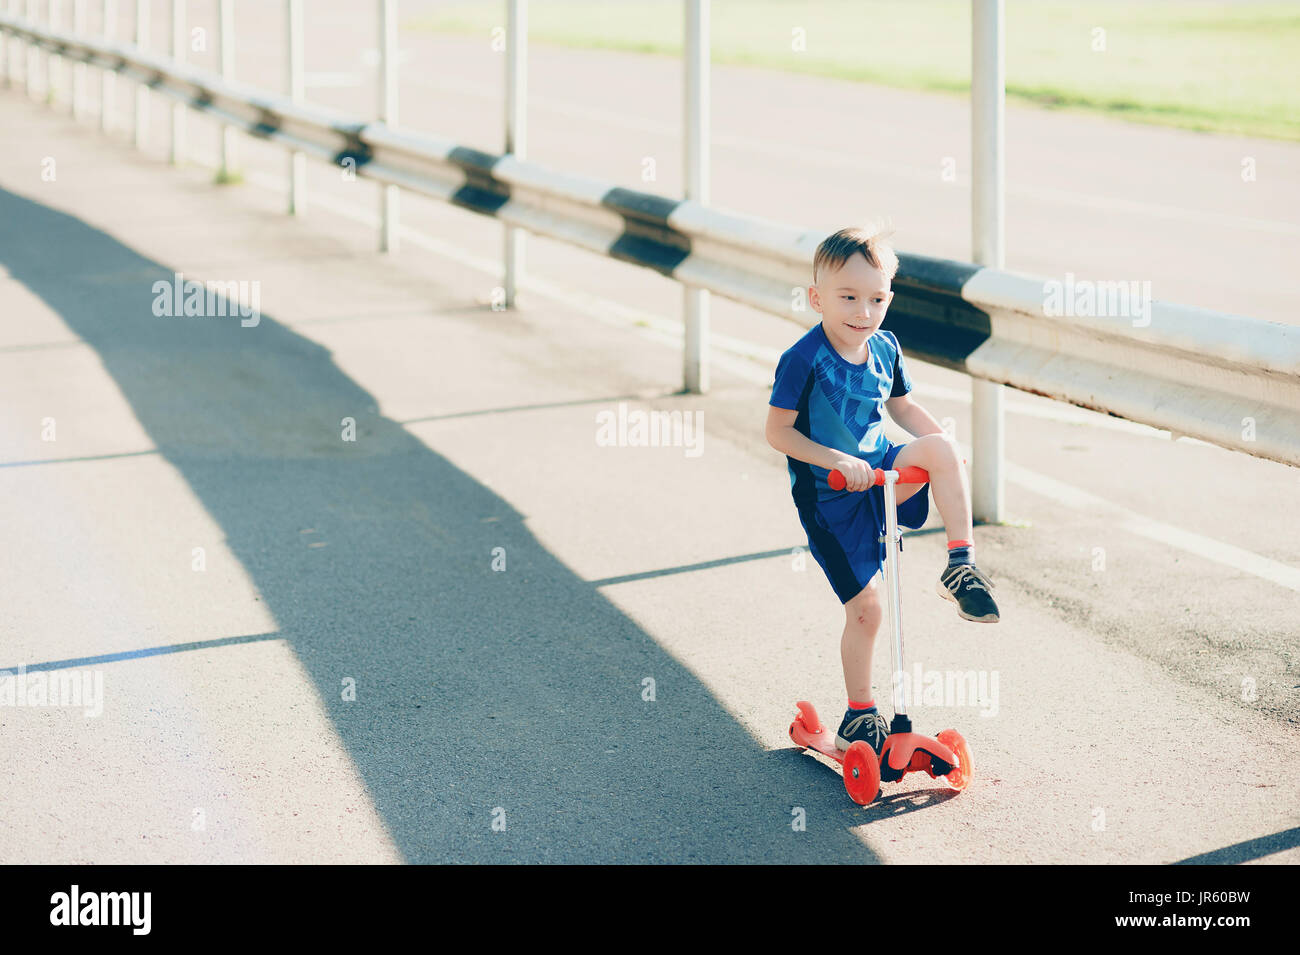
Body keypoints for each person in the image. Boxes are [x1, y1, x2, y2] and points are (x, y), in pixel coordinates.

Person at [765, 226, 1000, 755]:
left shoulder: (885, 348)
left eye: (876, 299)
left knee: (938, 450)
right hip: (831, 498)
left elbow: (902, 409)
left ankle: (960, 564)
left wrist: (940, 440)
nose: (863, 312)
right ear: (816, 298)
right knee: (868, 608)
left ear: (889, 299)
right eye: (848, 297)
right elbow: (777, 431)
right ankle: (860, 716)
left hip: (879, 473)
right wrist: (837, 460)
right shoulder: (803, 359)